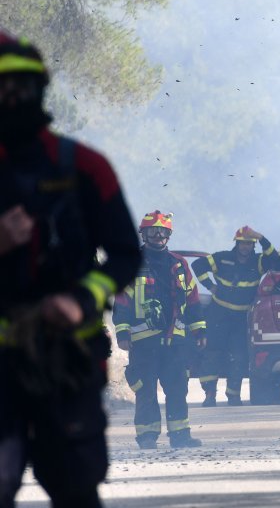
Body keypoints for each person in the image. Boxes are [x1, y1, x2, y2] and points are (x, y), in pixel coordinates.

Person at [0, 31, 141, 507]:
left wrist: (80, 300)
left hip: (67, 361)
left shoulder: (85, 167)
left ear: (39, 88)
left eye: (18, 86)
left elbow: (125, 254)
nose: (10, 99)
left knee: (76, 486)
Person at [112, 210, 206, 449]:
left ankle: (180, 436)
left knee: (177, 388)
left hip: (175, 342)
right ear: (143, 234)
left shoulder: (179, 264)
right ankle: (146, 436)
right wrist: (122, 333)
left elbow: (192, 300)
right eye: (153, 231)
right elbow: (122, 301)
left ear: (169, 235)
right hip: (144, 342)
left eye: (162, 231)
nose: (157, 236)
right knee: (145, 391)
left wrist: (199, 332)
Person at [192, 226, 278, 406]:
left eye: (249, 243)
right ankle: (209, 395)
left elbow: (275, 259)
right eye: (242, 243)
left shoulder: (258, 261)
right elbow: (197, 265)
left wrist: (261, 237)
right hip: (218, 314)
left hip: (241, 317)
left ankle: (233, 395)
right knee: (212, 354)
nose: (245, 247)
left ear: (253, 245)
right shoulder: (222, 258)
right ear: (237, 244)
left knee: (238, 356)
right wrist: (210, 285)